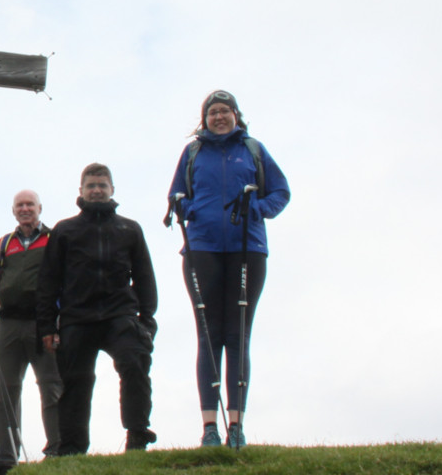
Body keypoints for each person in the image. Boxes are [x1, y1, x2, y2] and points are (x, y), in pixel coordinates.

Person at [167, 90, 290, 448]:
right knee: (208, 335)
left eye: (225, 111)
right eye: (213, 112)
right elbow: (176, 193)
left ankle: (236, 425)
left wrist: (259, 209)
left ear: (236, 115)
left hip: (247, 248)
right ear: (204, 119)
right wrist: (186, 209)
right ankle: (209, 428)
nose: (219, 117)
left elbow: (281, 191)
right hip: (202, 248)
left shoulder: (253, 149)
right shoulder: (192, 153)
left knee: (238, 334)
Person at [37, 163, 158, 455]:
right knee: (76, 383)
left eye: (102, 185)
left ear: (112, 190)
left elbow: (145, 278)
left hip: (121, 316)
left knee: (135, 364)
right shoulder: (65, 231)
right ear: (80, 191)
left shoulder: (130, 229)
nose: (96, 190)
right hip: (77, 318)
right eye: (91, 185)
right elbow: (48, 282)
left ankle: (137, 435)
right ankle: (73, 450)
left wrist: (147, 323)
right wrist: (47, 327)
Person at [0, 190, 62, 474]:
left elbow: (63, 279)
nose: (25, 209)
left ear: (40, 208)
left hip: (44, 324)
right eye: (20, 205)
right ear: (13, 210)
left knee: (51, 387)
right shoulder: (4, 243)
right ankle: (6, 455)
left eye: (30, 204)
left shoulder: (54, 240)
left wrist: (57, 321)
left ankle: (56, 450)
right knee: (5, 391)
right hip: (7, 325)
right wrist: (0, 307)